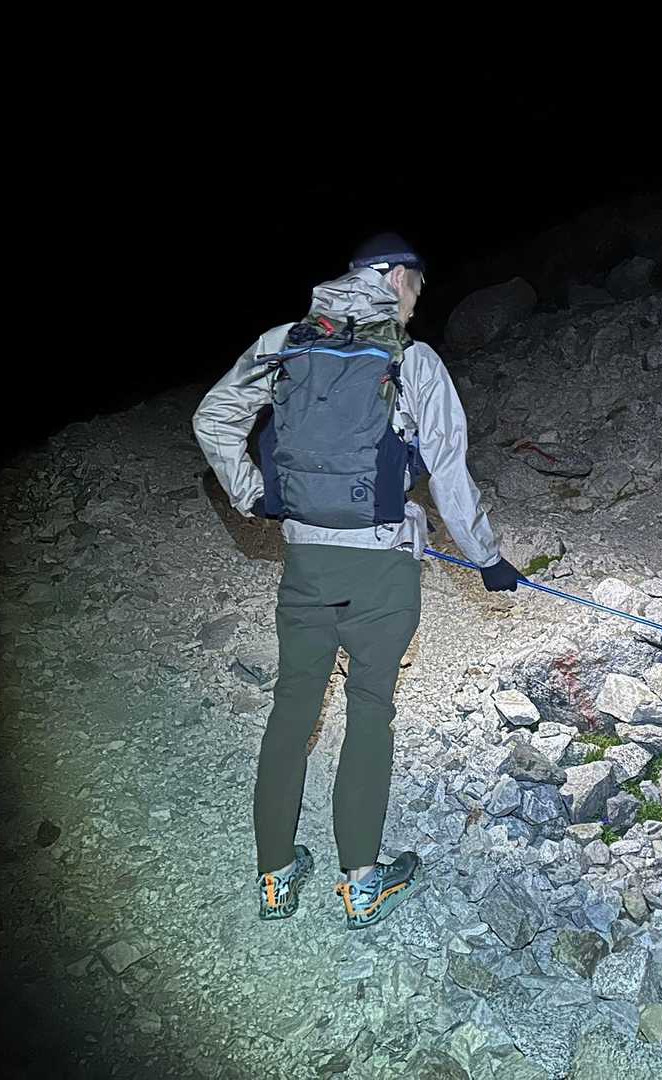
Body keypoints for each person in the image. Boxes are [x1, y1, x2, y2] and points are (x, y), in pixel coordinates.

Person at [192, 233, 521, 928]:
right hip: (382, 568)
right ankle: (362, 884)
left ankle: (275, 877)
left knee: (291, 711)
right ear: (396, 277)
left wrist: (254, 495)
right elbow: (448, 470)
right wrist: (487, 558)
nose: (415, 304)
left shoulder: (284, 342)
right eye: (416, 288)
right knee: (370, 709)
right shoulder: (413, 360)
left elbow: (213, 418)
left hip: (305, 563)